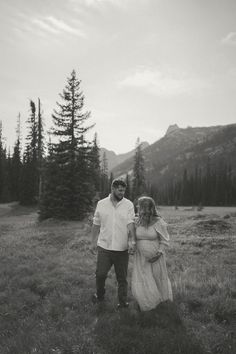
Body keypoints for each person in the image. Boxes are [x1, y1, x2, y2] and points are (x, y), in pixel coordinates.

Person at [91, 178, 136, 308]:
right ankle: (99, 296)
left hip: (122, 249)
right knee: (100, 275)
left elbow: (130, 223)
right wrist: (92, 242)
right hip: (104, 247)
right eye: (120, 190)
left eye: (124, 190)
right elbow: (96, 224)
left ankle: (122, 303)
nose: (122, 193)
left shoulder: (129, 205)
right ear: (113, 189)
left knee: (122, 278)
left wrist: (132, 240)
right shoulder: (101, 204)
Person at [131, 196, 173, 311]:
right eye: (138, 206)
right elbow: (132, 237)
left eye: (140, 206)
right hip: (140, 257)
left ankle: (160, 300)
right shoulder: (136, 221)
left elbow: (164, 240)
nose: (138, 208)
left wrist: (158, 254)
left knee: (157, 278)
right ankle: (146, 301)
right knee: (143, 278)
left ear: (149, 208)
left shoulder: (158, 222)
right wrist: (132, 246)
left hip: (156, 256)